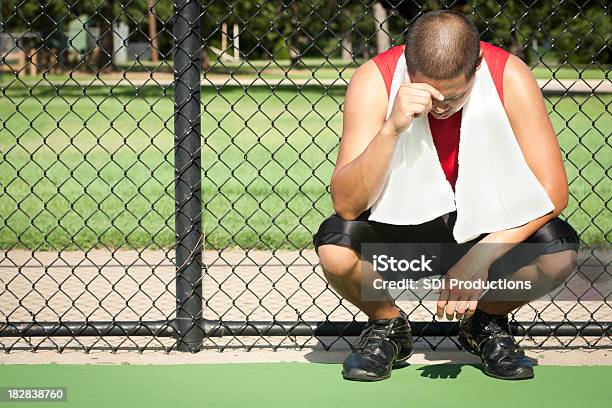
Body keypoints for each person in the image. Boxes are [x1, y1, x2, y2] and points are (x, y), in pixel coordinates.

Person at [312, 10, 580, 382]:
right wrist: (392, 128)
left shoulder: (510, 74)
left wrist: (480, 257)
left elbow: (553, 193)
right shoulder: (375, 78)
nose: (438, 107)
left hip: (485, 227)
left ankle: (484, 325)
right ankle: (389, 327)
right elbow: (347, 204)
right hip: (405, 228)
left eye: (453, 96)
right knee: (335, 250)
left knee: (557, 254)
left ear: (478, 65)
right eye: (429, 94)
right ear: (408, 63)